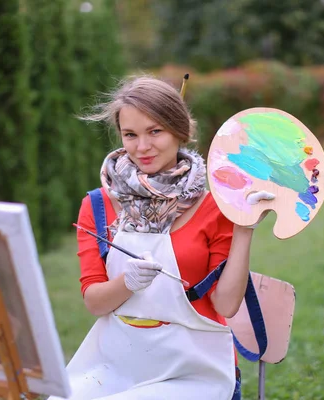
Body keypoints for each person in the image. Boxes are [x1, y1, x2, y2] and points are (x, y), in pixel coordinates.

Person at [56, 76, 272, 400]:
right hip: (116, 365)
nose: (142, 147)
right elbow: (94, 302)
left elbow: (226, 305)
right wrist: (126, 282)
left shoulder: (214, 207)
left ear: (179, 131)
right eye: (130, 135)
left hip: (195, 371)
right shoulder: (98, 205)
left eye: (155, 131)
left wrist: (244, 227)